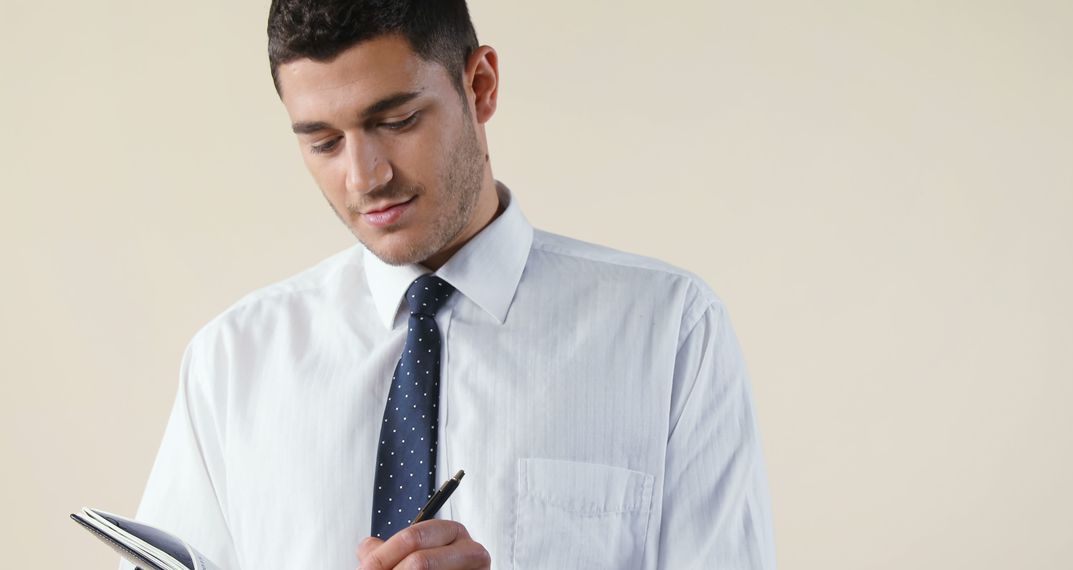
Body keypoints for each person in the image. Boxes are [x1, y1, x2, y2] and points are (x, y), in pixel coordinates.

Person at [123, 1, 776, 569]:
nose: (364, 176)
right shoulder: (232, 360)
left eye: (398, 121)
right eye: (323, 142)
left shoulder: (667, 331)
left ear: (481, 84)